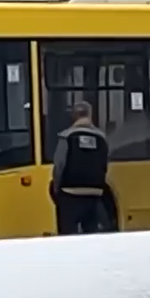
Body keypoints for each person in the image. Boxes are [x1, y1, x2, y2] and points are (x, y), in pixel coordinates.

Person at [50, 101, 110, 235]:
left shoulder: (66, 136)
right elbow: (105, 164)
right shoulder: (101, 138)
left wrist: (56, 188)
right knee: (90, 233)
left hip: (70, 192)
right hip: (94, 192)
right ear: (90, 115)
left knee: (68, 233)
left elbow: (59, 165)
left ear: (74, 116)